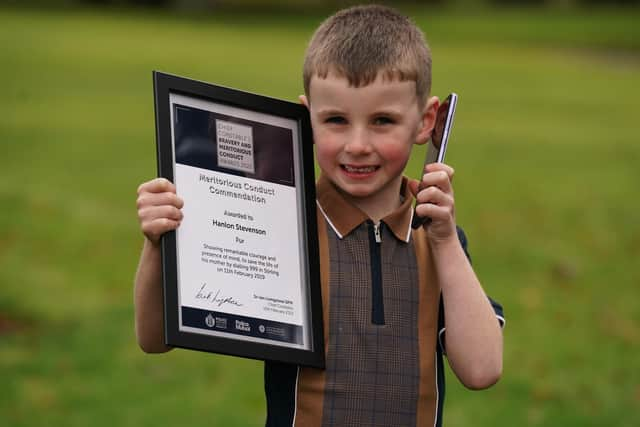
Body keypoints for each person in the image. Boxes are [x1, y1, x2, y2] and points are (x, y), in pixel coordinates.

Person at [134, 5, 504, 426]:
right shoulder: (280, 225)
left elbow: (482, 369)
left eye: (383, 121)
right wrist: (158, 242)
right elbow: (154, 339)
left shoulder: (439, 241)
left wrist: (444, 242)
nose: (358, 144)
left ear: (425, 122)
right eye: (336, 120)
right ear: (307, 120)